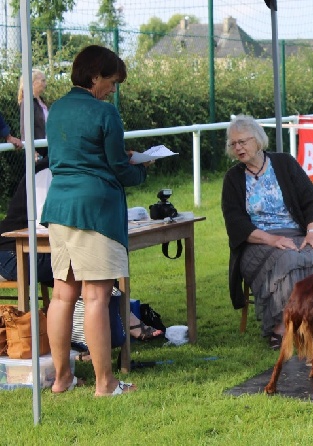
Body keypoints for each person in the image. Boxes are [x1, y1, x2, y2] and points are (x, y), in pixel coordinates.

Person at [41, 45, 150, 396]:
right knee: (97, 298)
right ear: (95, 75)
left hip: (59, 207)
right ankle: (106, 383)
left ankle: (62, 378)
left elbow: (74, 153)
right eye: (112, 82)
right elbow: (117, 167)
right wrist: (141, 171)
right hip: (95, 210)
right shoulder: (106, 113)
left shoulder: (55, 108)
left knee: (61, 296)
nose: (113, 90)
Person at [221, 115, 313, 350]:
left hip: (296, 232)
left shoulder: (285, 163)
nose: (238, 147)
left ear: (258, 139)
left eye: (243, 141)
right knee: (288, 258)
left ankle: (309, 321)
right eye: (233, 144)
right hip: (258, 241)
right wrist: (273, 239)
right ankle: (281, 326)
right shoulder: (233, 179)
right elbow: (236, 223)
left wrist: (312, 232)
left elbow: (311, 200)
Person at [0, 157, 53, 283]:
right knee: (84, 266)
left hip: (27, 251)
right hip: (12, 255)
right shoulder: (46, 171)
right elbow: (43, 224)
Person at [18, 68, 49, 159]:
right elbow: (25, 128)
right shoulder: (28, 102)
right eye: (42, 81)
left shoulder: (42, 102)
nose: (45, 84)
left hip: (47, 149)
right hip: (38, 152)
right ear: (33, 82)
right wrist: (32, 151)